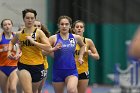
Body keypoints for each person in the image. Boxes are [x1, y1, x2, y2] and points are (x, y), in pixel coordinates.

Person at [8, 8, 58, 93]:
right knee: (28, 91)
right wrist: (9, 51)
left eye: (32, 18)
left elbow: (48, 47)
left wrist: (34, 42)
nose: (30, 20)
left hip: (38, 66)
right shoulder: (19, 34)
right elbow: (11, 42)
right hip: (24, 65)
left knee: (35, 91)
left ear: (34, 19)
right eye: (27, 18)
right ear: (24, 19)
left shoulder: (39, 33)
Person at [48, 15, 85, 93]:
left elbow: (83, 46)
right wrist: (53, 50)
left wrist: (80, 57)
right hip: (57, 71)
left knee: (71, 90)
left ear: (70, 26)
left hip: (71, 71)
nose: (64, 26)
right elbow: (43, 51)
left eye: (66, 24)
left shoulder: (76, 37)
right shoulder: (53, 38)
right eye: (62, 24)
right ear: (58, 25)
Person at [72, 20, 100, 93]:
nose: (79, 28)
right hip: (71, 70)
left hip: (83, 71)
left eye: (81, 27)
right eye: (77, 27)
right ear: (73, 29)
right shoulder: (69, 40)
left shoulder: (88, 41)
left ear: (83, 29)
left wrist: (90, 54)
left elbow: (97, 56)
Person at [0, 19, 21, 93]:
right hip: (2, 67)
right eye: (5, 25)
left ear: (12, 25)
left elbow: (22, 49)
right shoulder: (0, 37)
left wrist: (18, 54)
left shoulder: (16, 36)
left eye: (9, 24)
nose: (7, 26)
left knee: (12, 88)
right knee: (5, 91)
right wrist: (2, 50)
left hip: (14, 66)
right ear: (2, 27)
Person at [34, 20, 50, 93]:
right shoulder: (26, 37)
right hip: (28, 65)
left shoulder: (45, 39)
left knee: (39, 90)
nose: (37, 28)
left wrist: (35, 51)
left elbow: (48, 51)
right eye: (35, 26)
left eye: (38, 26)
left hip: (43, 66)